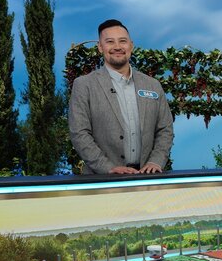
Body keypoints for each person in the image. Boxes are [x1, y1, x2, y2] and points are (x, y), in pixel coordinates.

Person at [69, 19, 173, 174]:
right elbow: (79, 133)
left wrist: (155, 161)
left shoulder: (153, 85)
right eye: (110, 42)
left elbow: (165, 129)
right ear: (100, 47)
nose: (117, 47)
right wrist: (108, 168)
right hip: (101, 181)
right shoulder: (84, 85)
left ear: (131, 45)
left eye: (122, 41)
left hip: (147, 178)